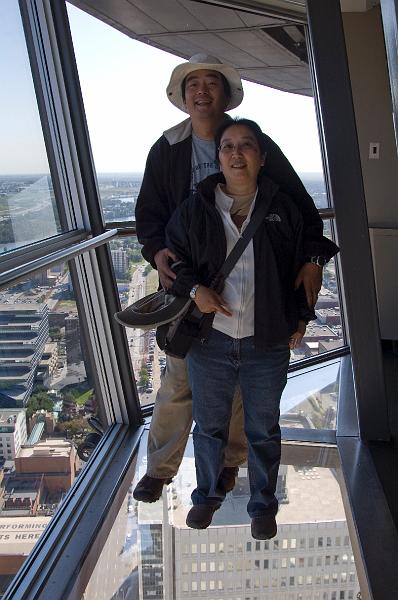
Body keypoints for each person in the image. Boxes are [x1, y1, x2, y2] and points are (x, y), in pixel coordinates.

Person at [134, 53, 330, 503]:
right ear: (182, 96)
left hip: (251, 281)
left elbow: (298, 208)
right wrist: (157, 251)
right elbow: (150, 215)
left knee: (242, 381)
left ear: (225, 93)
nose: (201, 91)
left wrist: (313, 258)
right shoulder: (167, 148)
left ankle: (228, 464)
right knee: (180, 375)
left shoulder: (251, 141)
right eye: (192, 84)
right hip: (189, 285)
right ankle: (161, 467)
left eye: (211, 83)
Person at [165, 118, 339, 538]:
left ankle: (263, 504)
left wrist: (299, 320)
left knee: (263, 428)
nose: (236, 153)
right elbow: (174, 267)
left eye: (246, 146)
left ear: (261, 157)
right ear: (219, 158)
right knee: (209, 427)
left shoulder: (284, 210)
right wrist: (195, 292)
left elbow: (300, 270)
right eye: (227, 147)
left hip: (267, 343)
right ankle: (206, 496)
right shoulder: (195, 209)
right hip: (211, 339)